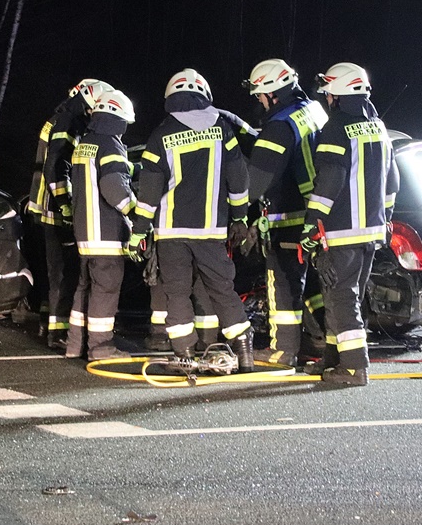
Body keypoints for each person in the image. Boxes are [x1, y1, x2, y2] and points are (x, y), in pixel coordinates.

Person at [130, 68, 254, 372]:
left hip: (172, 232)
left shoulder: (160, 135)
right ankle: (246, 354)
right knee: (222, 289)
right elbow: (238, 179)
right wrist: (239, 217)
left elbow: (148, 193)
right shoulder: (224, 130)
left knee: (177, 292)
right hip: (212, 229)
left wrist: (139, 232)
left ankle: (184, 357)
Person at [300, 62, 398, 386]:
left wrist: (312, 225)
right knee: (345, 297)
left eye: (328, 93)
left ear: (337, 95)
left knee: (341, 296)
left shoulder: (337, 126)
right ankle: (334, 359)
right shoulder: (379, 126)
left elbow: (329, 179)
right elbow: (392, 180)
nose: (327, 99)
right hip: (371, 231)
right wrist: (385, 219)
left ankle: (355, 367)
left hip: (341, 231)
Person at [241, 58, 329, 367]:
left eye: (260, 95)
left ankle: (283, 351)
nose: (259, 101)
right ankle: (327, 340)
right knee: (314, 286)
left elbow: (256, 182)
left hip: (290, 218)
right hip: (317, 214)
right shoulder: (312, 110)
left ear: (273, 94)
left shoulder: (279, 125)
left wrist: (234, 206)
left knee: (284, 286)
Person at [24, 78, 113, 350]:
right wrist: (64, 204)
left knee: (54, 272)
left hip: (44, 207)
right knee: (63, 274)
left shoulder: (59, 119)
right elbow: (57, 166)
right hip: (55, 209)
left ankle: (50, 323)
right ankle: (58, 333)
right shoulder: (68, 123)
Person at [65, 89, 136, 360]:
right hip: (106, 234)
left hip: (85, 234)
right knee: (105, 291)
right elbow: (113, 186)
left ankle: (75, 345)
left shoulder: (85, 143)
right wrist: (136, 212)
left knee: (83, 290)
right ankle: (101, 347)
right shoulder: (110, 145)